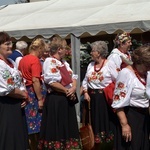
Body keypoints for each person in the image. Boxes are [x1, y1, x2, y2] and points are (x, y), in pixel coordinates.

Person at [38, 36, 82, 149]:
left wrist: (73, 88)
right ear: (59, 49)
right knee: (57, 126)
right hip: (56, 99)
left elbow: (73, 76)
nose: (66, 50)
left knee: (66, 125)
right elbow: (52, 82)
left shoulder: (63, 62)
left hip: (66, 98)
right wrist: (66, 90)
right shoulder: (50, 61)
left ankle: (67, 146)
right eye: (64, 48)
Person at [111, 45, 150, 150]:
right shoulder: (126, 74)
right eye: (147, 65)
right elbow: (118, 102)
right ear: (139, 62)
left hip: (143, 117)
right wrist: (124, 124)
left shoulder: (146, 74)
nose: (148, 68)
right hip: (130, 117)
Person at [82, 41, 119, 149]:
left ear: (99, 53)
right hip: (91, 98)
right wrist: (85, 92)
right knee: (93, 120)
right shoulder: (90, 65)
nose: (91, 53)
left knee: (105, 120)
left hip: (104, 98)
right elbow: (85, 80)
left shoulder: (109, 64)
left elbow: (117, 79)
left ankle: (108, 143)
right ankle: (94, 142)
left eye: (93, 51)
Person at [0, 31, 29, 150]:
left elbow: (20, 82)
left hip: (16, 105)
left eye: (10, 43)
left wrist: (24, 94)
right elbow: (7, 88)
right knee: (8, 138)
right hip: (5, 105)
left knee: (18, 137)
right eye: (6, 44)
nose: (9, 46)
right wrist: (24, 95)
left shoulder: (11, 62)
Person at [18, 38, 47, 150]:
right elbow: (35, 80)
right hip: (34, 93)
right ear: (39, 49)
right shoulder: (35, 60)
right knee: (37, 124)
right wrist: (40, 98)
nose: (43, 53)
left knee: (29, 124)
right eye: (43, 50)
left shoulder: (23, 59)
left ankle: (30, 146)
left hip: (26, 92)